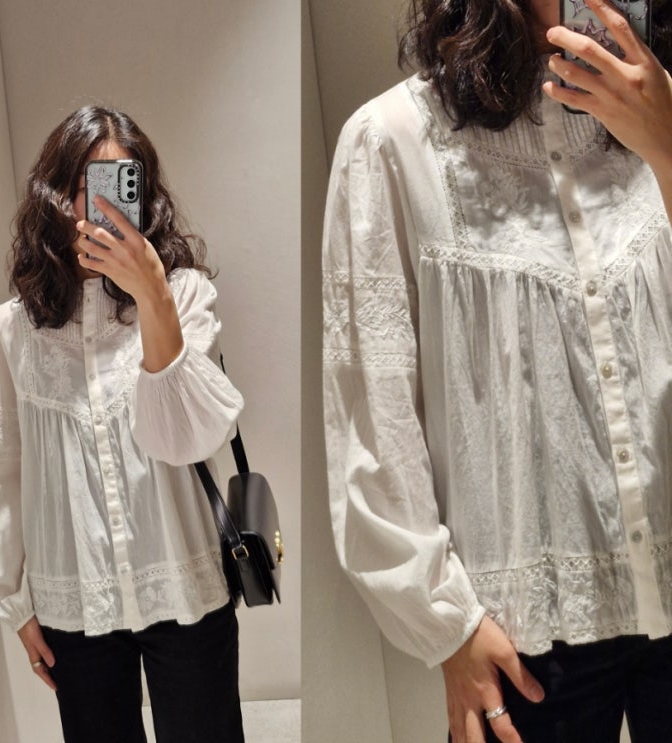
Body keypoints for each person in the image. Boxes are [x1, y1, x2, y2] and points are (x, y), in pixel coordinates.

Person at [322, 0, 672, 741]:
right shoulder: (391, 140)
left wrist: (668, 148)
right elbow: (374, 407)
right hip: (525, 637)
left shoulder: (662, 113)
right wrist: (446, 625)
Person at [0, 106, 245, 743]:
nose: (104, 207)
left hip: (183, 582)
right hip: (75, 604)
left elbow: (194, 437)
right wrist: (15, 606)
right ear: (55, 196)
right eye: (88, 186)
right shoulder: (10, 331)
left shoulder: (184, 295)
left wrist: (152, 294)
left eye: (123, 185)